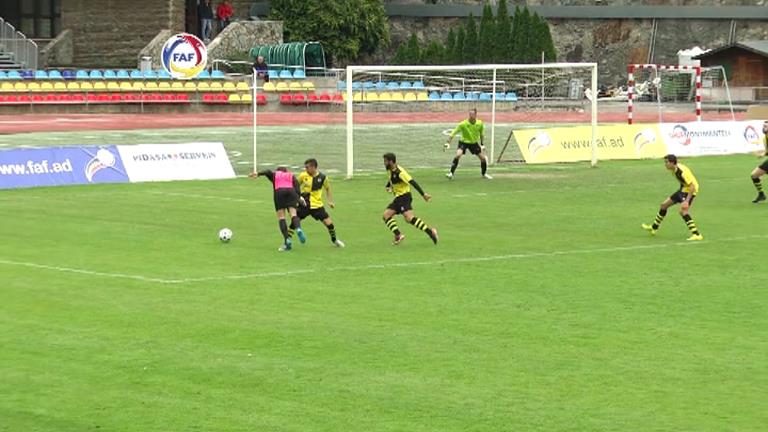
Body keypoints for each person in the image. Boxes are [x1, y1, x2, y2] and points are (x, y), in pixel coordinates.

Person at [642, 154, 703, 241]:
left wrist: (686, 201)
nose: (665, 164)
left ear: (672, 163)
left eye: (667, 162)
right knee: (664, 205)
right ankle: (654, 228)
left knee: (683, 211)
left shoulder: (682, 172)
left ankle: (697, 234)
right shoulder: (673, 169)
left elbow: (692, 186)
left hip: (690, 190)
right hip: (683, 189)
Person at [382, 152, 438, 245]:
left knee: (409, 218)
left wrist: (423, 194)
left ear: (391, 162)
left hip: (404, 197)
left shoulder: (400, 172)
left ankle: (430, 232)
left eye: (385, 161)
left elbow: (412, 182)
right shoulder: (389, 169)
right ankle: (398, 235)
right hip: (398, 198)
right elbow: (391, 178)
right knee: (386, 215)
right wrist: (388, 186)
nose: (384, 163)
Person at [249, 166, 307, 251]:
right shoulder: (290, 175)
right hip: (291, 192)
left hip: (279, 192)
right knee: (293, 214)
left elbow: (268, 171)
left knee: (281, 217)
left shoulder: (275, 174)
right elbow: (297, 188)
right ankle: (298, 229)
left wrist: (258, 174)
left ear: (278, 171)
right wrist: (298, 198)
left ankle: (287, 239)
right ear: (286, 171)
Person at [297, 159, 345, 247]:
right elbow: (295, 186)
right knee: (294, 222)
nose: (306, 169)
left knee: (329, 224)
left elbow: (328, 188)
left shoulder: (323, 177)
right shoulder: (303, 175)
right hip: (305, 204)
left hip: (317, 205)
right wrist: (297, 198)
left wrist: (330, 201)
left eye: (307, 167)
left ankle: (335, 240)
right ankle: (287, 242)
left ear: (313, 167)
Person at [444, 108, 492, 180]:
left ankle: (484, 174)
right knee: (458, 155)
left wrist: (482, 144)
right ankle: (451, 173)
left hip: (474, 143)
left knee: (483, 159)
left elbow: (482, 134)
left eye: (472, 114)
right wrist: (448, 142)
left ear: (476, 115)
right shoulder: (463, 124)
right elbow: (453, 133)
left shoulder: (479, 123)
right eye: (470, 114)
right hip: (463, 142)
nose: (470, 115)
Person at [749, 120, 768, 203]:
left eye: (766, 126)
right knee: (754, 175)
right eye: (763, 126)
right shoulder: (765, 138)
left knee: (754, 175)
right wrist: (762, 154)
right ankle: (761, 194)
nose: (764, 128)